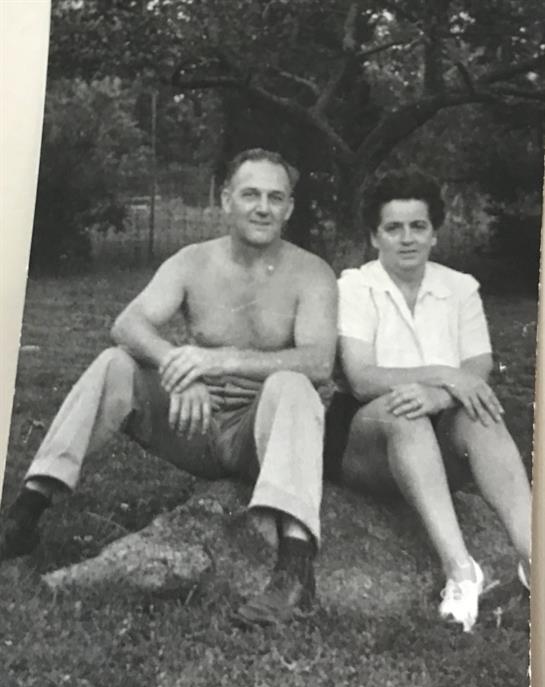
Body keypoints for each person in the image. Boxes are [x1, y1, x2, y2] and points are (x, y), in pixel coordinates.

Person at [1, 148, 338, 626]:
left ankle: (295, 570)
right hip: (192, 427)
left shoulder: (312, 272)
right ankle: (24, 516)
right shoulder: (192, 261)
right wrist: (181, 369)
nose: (263, 207)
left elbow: (320, 362)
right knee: (114, 364)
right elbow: (128, 324)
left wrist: (222, 360)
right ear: (226, 200)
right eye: (250, 195)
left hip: (261, 440)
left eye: (275, 197)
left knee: (294, 385)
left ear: (289, 208)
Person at [324, 167, 531, 632]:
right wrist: (442, 374)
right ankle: (461, 571)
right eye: (393, 228)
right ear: (375, 236)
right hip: (368, 441)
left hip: (440, 433)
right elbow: (362, 377)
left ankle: (533, 558)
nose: (407, 239)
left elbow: (477, 368)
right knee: (404, 411)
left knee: (482, 414)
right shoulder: (355, 286)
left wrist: (439, 395)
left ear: (434, 232)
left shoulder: (460, 287)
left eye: (418, 226)